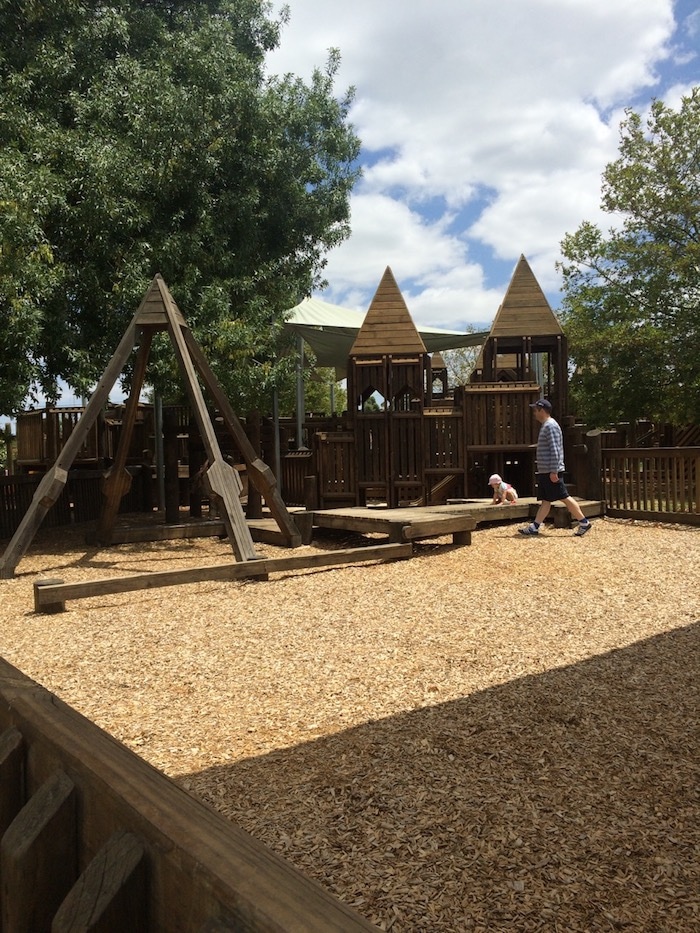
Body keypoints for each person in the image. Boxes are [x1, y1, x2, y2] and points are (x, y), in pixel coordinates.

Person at [519, 399, 592, 537]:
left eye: (535, 410)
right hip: (546, 471)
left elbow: (555, 449)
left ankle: (584, 522)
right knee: (546, 500)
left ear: (542, 410)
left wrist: (554, 470)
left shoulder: (550, 426)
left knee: (564, 497)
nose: (534, 413)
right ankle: (534, 527)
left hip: (551, 471)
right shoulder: (546, 426)